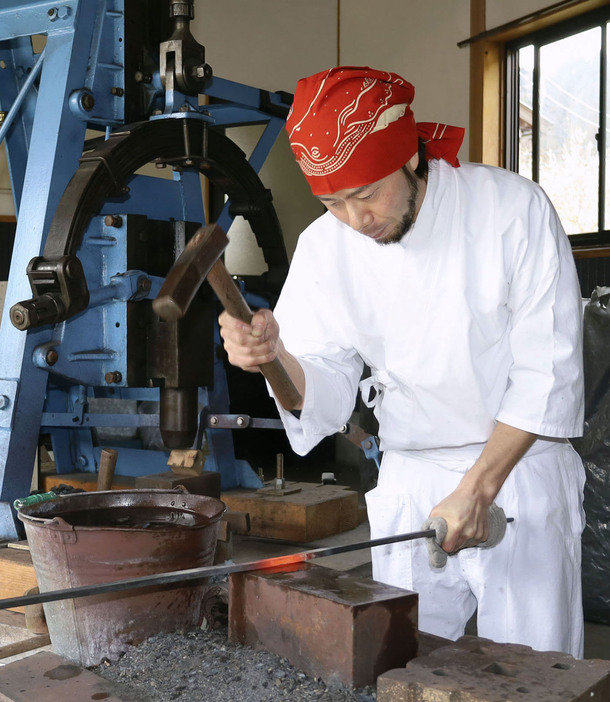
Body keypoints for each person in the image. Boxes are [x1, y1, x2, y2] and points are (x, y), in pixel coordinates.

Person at [218, 66, 586, 657]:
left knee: (534, 675)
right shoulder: (325, 248)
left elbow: (547, 372)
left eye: (366, 194)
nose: (357, 220)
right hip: (412, 478)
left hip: (515, 473)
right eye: (333, 201)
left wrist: (479, 488)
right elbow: (324, 387)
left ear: (410, 155)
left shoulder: (511, 211)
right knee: (404, 666)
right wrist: (272, 360)